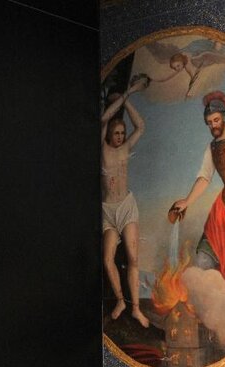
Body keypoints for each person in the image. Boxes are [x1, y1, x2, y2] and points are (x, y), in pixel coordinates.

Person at [167, 90, 225, 331]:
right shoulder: (211, 149)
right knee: (203, 258)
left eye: (216, 120)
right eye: (209, 122)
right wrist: (187, 201)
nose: (213, 126)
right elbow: (204, 177)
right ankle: (213, 312)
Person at [101, 75, 151, 328]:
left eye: (122, 133)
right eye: (117, 133)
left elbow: (140, 126)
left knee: (133, 258)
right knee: (107, 258)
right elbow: (103, 119)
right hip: (108, 210)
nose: (120, 136)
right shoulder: (102, 148)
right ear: (109, 134)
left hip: (127, 207)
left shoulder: (124, 148)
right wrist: (126, 93)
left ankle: (136, 309)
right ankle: (121, 301)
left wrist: (128, 98)